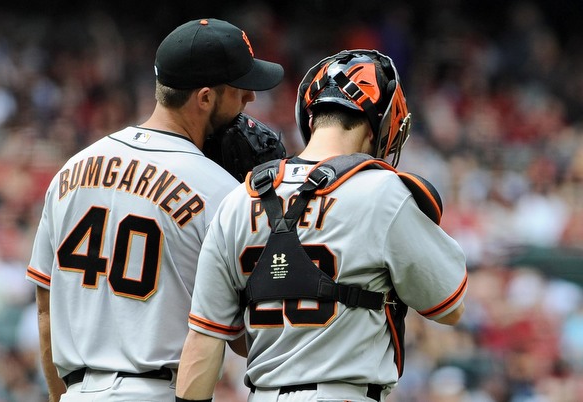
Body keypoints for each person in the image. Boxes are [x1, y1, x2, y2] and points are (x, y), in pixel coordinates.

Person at [175, 49, 468, 402]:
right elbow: (451, 307)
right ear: (382, 122)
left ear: (310, 117)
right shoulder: (384, 193)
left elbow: (205, 338)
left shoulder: (240, 198)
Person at [25, 18, 284, 402]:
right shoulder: (221, 191)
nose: (250, 100)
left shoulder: (72, 169)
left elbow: (45, 313)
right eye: (240, 90)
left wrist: (58, 397)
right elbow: (248, 339)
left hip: (77, 392)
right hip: (157, 390)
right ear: (205, 97)